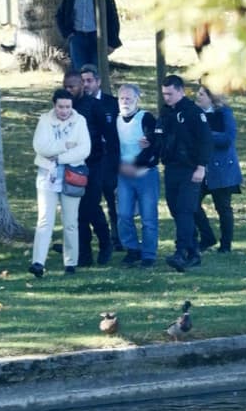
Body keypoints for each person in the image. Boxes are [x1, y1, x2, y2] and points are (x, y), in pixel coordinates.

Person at [28, 89, 91, 278]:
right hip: (48, 173)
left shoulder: (79, 121)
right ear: (54, 106)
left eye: (68, 107)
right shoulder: (45, 120)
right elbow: (40, 146)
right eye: (61, 107)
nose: (64, 111)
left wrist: (59, 157)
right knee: (45, 219)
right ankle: (38, 261)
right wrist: (65, 145)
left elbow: (83, 149)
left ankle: (70, 262)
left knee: (70, 221)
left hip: (71, 173)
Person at [158, 75, 212, 272]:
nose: (167, 98)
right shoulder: (166, 113)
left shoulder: (193, 113)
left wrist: (201, 167)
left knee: (184, 210)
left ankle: (181, 252)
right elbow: (162, 137)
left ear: (181, 91)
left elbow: (206, 141)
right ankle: (193, 251)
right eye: (164, 94)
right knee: (175, 210)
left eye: (170, 94)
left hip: (190, 169)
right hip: (172, 168)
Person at [63, 71, 113, 267]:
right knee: (77, 211)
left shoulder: (95, 107)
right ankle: (84, 253)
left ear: (82, 86)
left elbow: (109, 137)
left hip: (94, 164)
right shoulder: (65, 107)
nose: (68, 90)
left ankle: (105, 243)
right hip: (72, 165)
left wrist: (110, 166)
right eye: (65, 86)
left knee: (92, 207)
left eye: (72, 87)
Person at [193, 85, 243, 253]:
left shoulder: (224, 113)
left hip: (221, 168)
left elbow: (228, 138)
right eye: (198, 93)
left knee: (223, 207)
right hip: (200, 167)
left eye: (201, 94)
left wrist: (206, 135)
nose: (197, 96)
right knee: (192, 203)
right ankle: (207, 237)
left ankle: (226, 244)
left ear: (211, 97)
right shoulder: (194, 113)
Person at [115, 84, 160, 268]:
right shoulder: (116, 120)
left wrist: (139, 163)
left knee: (148, 217)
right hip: (124, 174)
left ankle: (149, 254)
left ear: (137, 99)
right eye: (122, 98)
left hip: (145, 173)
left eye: (129, 98)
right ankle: (132, 249)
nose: (125, 102)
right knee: (124, 214)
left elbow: (155, 144)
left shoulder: (146, 118)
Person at [80, 63, 122, 252]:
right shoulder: (78, 105)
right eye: (83, 81)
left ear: (98, 81)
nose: (86, 85)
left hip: (111, 161)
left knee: (114, 203)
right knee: (91, 202)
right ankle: (89, 240)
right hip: (91, 162)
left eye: (89, 80)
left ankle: (118, 238)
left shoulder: (113, 104)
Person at [56, 0, 122, 71]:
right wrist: (67, 34)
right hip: (77, 38)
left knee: (97, 72)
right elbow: (60, 15)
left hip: (97, 38)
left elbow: (112, 18)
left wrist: (112, 43)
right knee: (79, 72)